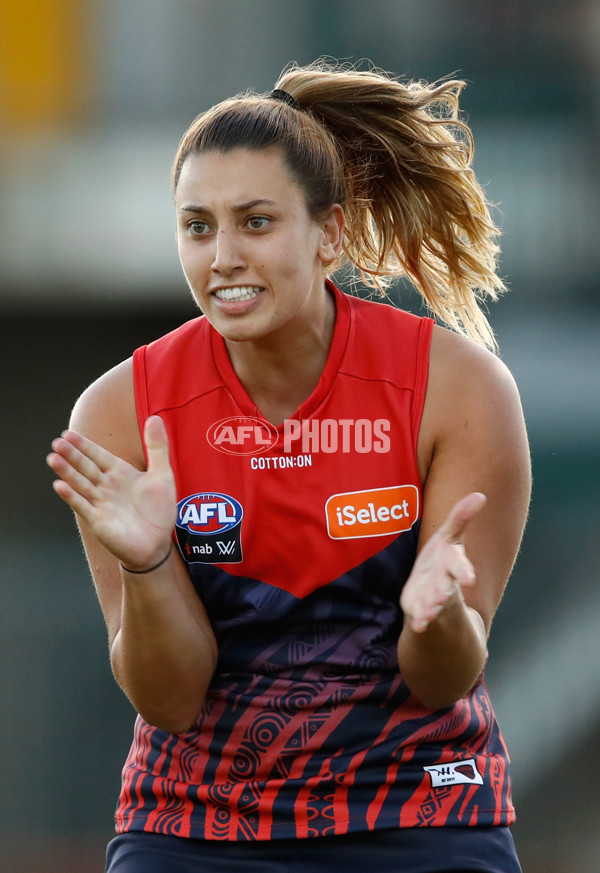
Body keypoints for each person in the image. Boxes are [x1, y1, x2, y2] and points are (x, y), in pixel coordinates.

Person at [46, 60, 531, 873]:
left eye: (256, 222)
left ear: (330, 234)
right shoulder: (119, 412)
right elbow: (169, 697)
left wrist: (436, 614)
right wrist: (151, 561)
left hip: (418, 804)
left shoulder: (458, 387)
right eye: (198, 227)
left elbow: (444, 677)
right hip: (199, 824)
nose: (223, 255)